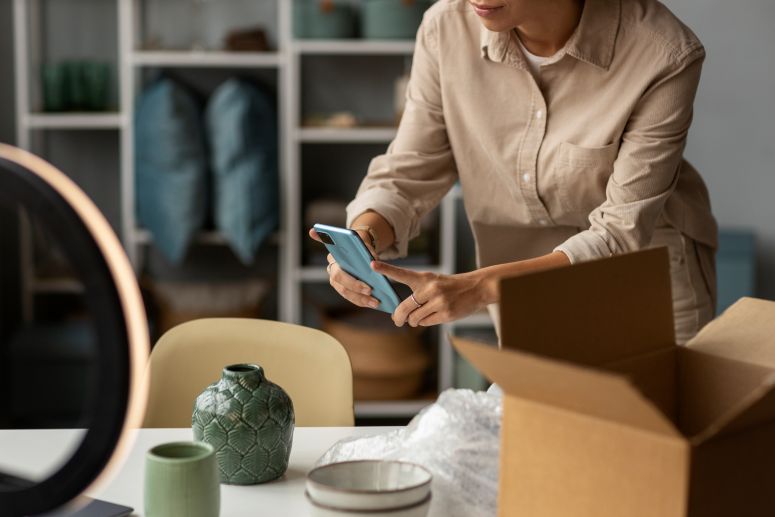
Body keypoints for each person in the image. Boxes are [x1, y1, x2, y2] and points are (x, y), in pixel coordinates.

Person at [310, 0, 717, 344]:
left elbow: (620, 232)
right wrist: (364, 238)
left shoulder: (663, 53)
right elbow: (409, 169)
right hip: (517, 292)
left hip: (642, 285)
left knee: (654, 432)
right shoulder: (445, 28)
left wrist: (479, 287)